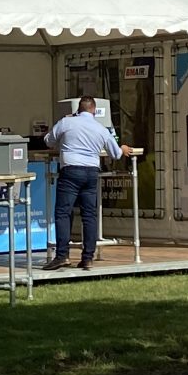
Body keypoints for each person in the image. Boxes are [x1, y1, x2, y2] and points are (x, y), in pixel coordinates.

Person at [45, 96, 130, 271]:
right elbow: (115, 154)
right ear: (94, 110)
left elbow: (48, 141)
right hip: (91, 172)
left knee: (63, 213)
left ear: (78, 109)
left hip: (70, 171)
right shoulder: (101, 129)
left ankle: (62, 255)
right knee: (89, 215)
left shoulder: (66, 122)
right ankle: (88, 258)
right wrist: (122, 149)